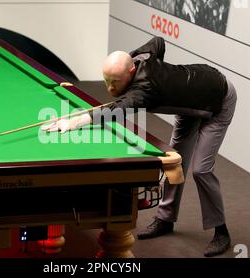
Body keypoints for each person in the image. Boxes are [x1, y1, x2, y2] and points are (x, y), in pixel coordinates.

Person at [43, 36, 237, 257]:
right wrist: (163, 75)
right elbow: (159, 41)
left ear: (131, 72)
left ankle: (221, 231)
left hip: (217, 99)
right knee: (175, 162)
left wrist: (74, 121)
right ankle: (165, 219)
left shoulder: (144, 91)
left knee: (201, 169)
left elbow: (114, 111)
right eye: (106, 80)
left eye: (115, 82)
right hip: (190, 102)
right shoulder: (141, 57)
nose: (109, 87)